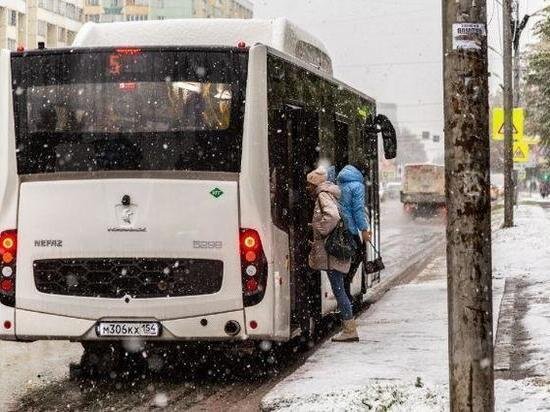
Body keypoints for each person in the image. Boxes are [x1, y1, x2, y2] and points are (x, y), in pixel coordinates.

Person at [307, 167, 359, 342]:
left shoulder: (323, 195)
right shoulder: (329, 194)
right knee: (340, 290)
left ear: (315, 184)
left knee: (339, 291)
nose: (307, 188)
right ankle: (349, 328)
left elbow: (333, 217)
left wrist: (320, 230)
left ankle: (349, 329)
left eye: (309, 184)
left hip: (332, 254)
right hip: (334, 252)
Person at [337, 164, 371, 300]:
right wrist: (363, 229)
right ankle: (345, 284)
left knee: (346, 256)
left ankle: (344, 285)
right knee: (359, 254)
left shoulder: (340, 182)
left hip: (340, 227)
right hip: (350, 227)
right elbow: (358, 210)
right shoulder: (357, 186)